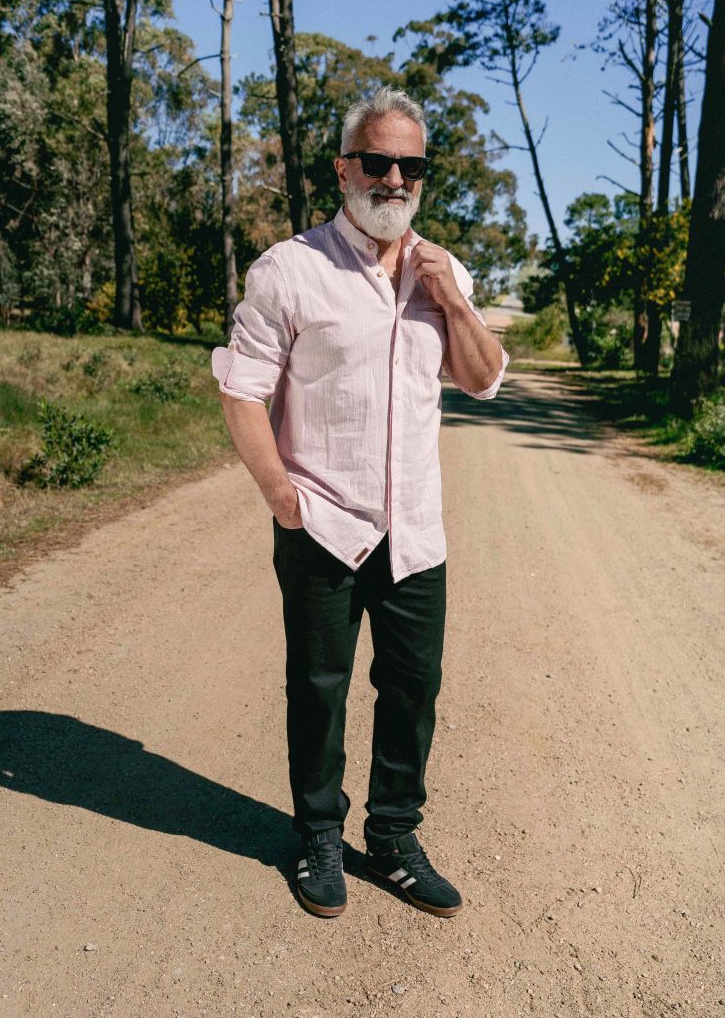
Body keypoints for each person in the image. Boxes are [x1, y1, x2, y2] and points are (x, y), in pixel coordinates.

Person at [212, 85, 509, 919]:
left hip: (415, 530)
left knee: (414, 688)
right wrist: (282, 496)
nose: (394, 179)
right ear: (344, 169)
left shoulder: (443, 272)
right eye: (377, 161)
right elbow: (242, 391)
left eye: (411, 166)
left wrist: (452, 297)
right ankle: (317, 834)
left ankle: (393, 837)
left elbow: (484, 378)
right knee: (318, 689)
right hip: (322, 525)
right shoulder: (290, 269)